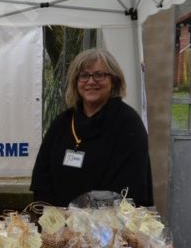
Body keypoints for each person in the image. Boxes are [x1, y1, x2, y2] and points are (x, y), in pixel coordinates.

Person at [31, 48, 153, 207]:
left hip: (108, 226)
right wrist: (51, 221)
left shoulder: (128, 124)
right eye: (83, 75)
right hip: (60, 227)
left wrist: (89, 223)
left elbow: (130, 186)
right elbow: (42, 177)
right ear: (76, 82)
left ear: (114, 80)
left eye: (99, 75)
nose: (90, 81)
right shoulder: (62, 123)